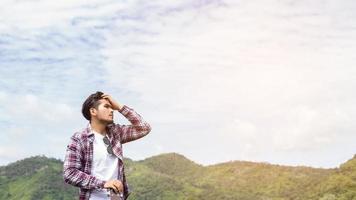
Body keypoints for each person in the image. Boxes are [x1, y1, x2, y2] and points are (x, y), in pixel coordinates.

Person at [63, 91, 151, 200]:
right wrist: (103, 183)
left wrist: (119, 106)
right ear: (93, 111)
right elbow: (70, 173)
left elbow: (144, 128)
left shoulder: (116, 134)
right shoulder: (79, 138)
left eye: (111, 107)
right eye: (106, 107)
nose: (111, 110)